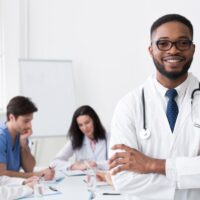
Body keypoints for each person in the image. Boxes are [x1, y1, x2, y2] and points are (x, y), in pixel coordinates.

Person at [108, 14, 200, 200]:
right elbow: (123, 179)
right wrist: (189, 175)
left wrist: (153, 165)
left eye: (182, 43)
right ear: (151, 50)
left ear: (193, 49)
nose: (173, 50)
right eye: (163, 43)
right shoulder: (128, 105)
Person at [0, 96, 54, 180]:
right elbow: (1, 174)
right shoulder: (1, 137)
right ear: (11, 118)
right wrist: (37, 174)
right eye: (26, 121)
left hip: (13, 185)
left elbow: (29, 168)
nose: (29, 125)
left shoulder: (20, 134)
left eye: (30, 121)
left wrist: (23, 144)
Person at [51, 105, 108, 171]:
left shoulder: (109, 138)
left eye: (87, 122)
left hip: (104, 179)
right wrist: (73, 166)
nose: (84, 128)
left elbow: (115, 163)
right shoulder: (76, 139)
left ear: (95, 121)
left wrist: (96, 164)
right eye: (80, 125)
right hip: (83, 179)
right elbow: (55, 163)